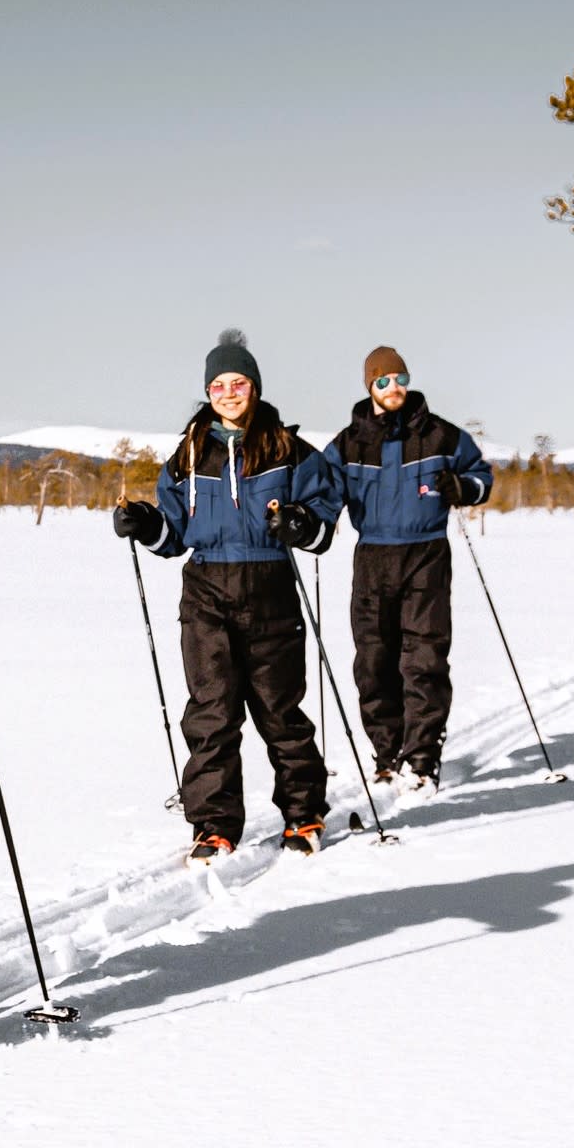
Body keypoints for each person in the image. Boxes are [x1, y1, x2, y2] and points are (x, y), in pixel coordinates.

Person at [112, 330, 343, 864]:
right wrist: (144, 522)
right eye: (219, 384)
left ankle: (304, 812)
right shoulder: (189, 455)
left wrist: (299, 521)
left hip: (269, 589)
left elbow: (323, 529)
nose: (229, 392)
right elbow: (172, 536)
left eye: (238, 382)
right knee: (211, 712)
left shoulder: (290, 451)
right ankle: (214, 825)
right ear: (208, 391)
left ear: (255, 388)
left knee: (278, 710)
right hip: (206, 591)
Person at [323, 346, 492, 796]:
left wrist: (463, 487)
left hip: (426, 554)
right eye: (383, 381)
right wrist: (304, 520)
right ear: (369, 387)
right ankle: (387, 752)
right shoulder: (348, 443)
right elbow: (321, 492)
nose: (394, 387)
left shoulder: (440, 435)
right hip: (373, 558)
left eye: (400, 378)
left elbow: (481, 478)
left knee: (424, 659)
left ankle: (422, 757)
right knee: (375, 662)